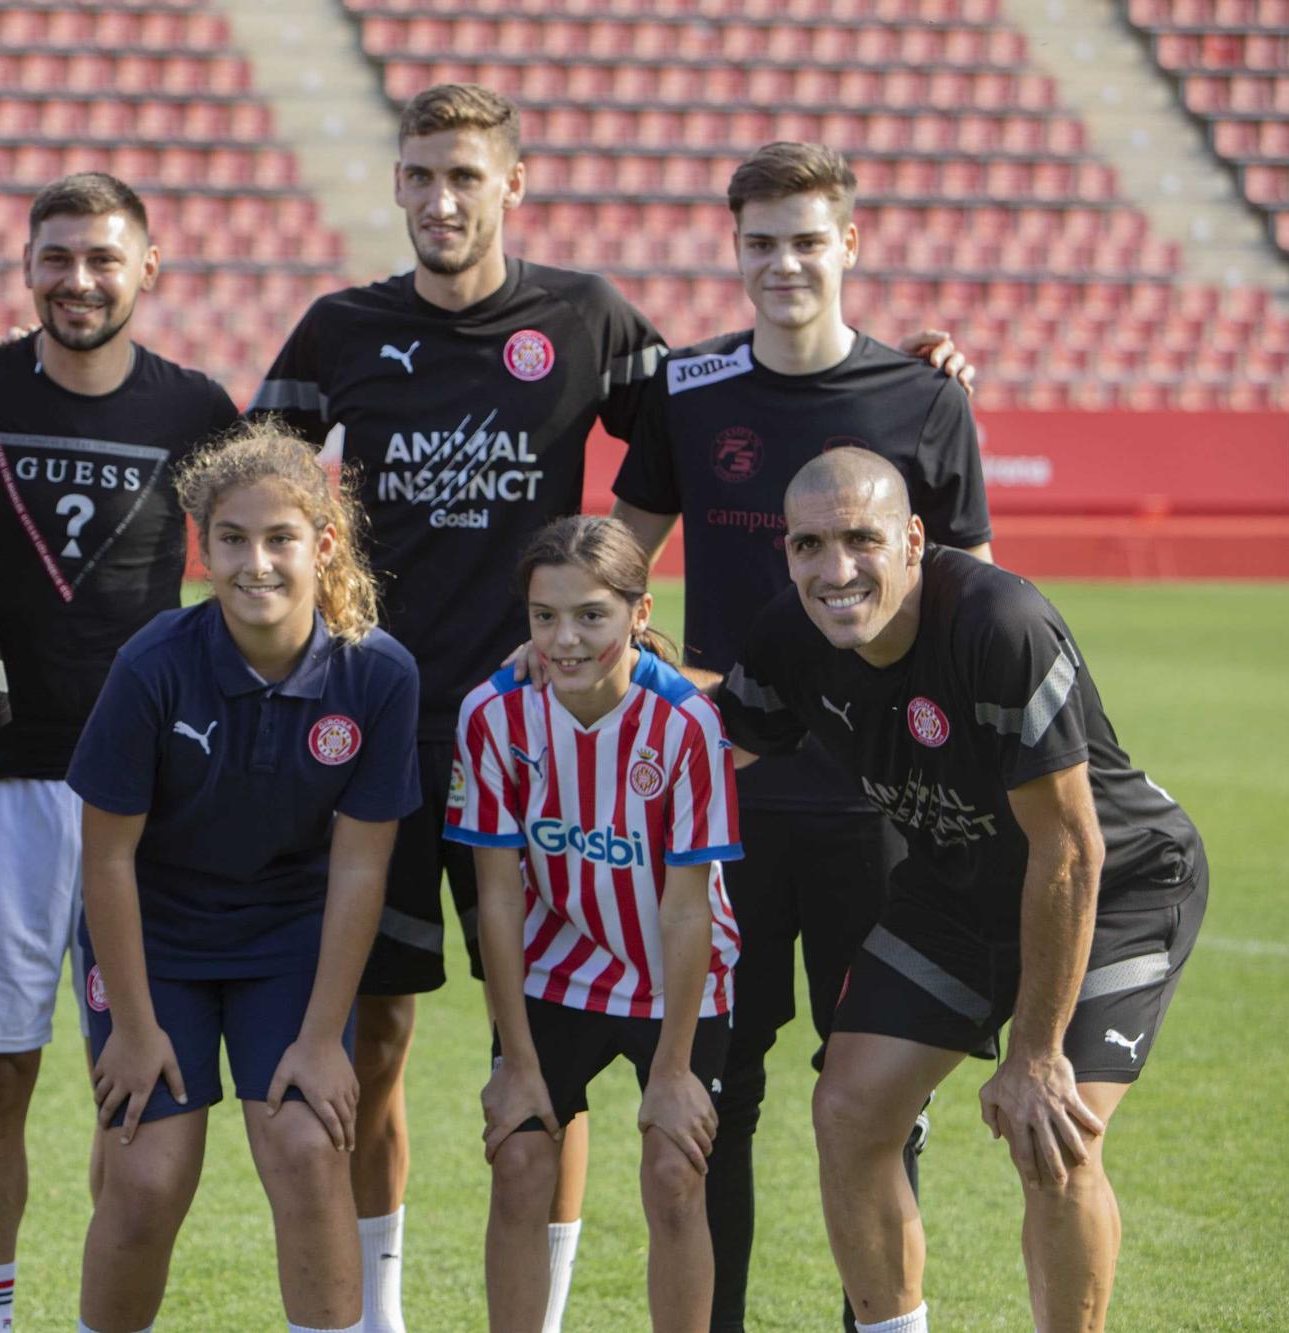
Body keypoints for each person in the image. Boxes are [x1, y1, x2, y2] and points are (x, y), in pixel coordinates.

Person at [250, 83, 968, 1332]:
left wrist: (922, 371)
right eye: (418, 175)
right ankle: (379, 1313)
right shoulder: (340, 328)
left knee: (719, 1064)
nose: (439, 198)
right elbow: (255, 471)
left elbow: (730, 433)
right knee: (403, 1043)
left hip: (659, 752)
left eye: (464, 175)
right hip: (403, 735)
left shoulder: (590, 318)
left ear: (510, 185)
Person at [605, 142, 992, 1332]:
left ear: (849, 246)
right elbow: (616, 558)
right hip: (721, 808)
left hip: (875, 813)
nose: (783, 264)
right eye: (760, 242)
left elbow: (967, 600)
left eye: (805, 240)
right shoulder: (688, 390)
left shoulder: (923, 397)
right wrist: (619, 647)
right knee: (717, 1096)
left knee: (870, 1103)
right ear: (734, 249)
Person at [714, 447, 1206, 1333]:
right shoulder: (791, 633)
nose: (835, 571)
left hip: (1118, 887)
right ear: (785, 551)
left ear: (912, 538)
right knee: (849, 1111)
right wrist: (608, 669)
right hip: (959, 884)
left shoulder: (998, 624)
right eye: (810, 544)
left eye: (861, 540)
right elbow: (723, 737)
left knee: (1053, 1136)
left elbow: (1068, 848)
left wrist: (1036, 1052)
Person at [0, 171, 239, 1333]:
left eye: (103, 258)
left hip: (144, 805)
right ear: (24, 268)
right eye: (56, 257)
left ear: (148, 269)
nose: (78, 280)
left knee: (133, 1091)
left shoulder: (197, 410)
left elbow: (258, 572)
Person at [64, 423, 420, 1333]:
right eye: (233, 539)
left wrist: (321, 1037)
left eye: (281, 539)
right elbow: (104, 857)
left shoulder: (378, 673)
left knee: (307, 1146)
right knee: (146, 1175)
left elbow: (359, 865)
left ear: (324, 544)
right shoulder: (153, 664)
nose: (256, 563)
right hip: (156, 935)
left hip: (289, 938)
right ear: (204, 547)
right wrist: (135, 1029)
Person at [449, 515, 742, 1333]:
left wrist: (675, 1070)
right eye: (545, 617)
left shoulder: (686, 722)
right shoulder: (493, 714)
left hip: (675, 979)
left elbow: (688, 908)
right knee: (517, 1158)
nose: (565, 639)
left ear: (639, 613)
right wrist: (514, 1058)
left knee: (675, 1173)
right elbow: (497, 899)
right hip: (554, 968)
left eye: (591, 616)